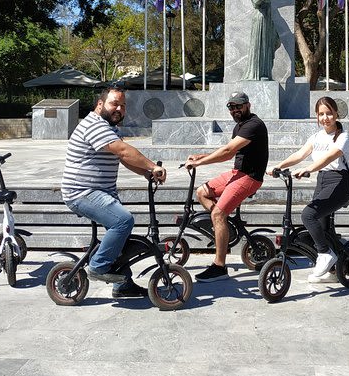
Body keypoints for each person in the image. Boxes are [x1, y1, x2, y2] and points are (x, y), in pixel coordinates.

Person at [61, 86, 166, 298]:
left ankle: (123, 285)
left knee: (122, 238)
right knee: (122, 221)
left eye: (123, 105)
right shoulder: (94, 125)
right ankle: (98, 266)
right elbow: (123, 150)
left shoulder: (109, 128)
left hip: (100, 192)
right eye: (114, 104)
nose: (119, 108)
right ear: (100, 105)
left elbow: (123, 158)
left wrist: (146, 173)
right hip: (82, 192)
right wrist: (153, 166)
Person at [185, 92, 269, 282]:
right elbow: (229, 151)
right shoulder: (239, 126)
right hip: (236, 174)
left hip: (250, 177)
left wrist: (200, 163)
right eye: (231, 107)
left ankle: (220, 266)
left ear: (248, 105)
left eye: (238, 106)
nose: (235, 110)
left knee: (217, 214)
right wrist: (201, 156)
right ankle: (223, 226)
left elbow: (227, 151)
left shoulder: (254, 125)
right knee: (202, 192)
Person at [268, 96, 349, 283]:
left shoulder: (343, 137)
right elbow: (300, 154)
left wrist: (308, 168)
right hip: (322, 181)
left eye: (329, 113)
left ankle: (325, 254)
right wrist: (278, 166)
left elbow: (331, 157)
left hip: (339, 182)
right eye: (321, 114)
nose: (325, 117)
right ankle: (332, 272)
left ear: (336, 113)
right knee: (321, 228)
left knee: (308, 215)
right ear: (316, 116)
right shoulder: (316, 137)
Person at [243, 0, 281, 81]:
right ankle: (259, 74)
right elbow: (256, 0)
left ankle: (265, 71)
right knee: (262, 46)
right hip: (260, 19)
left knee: (274, 42)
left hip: (266, 19)